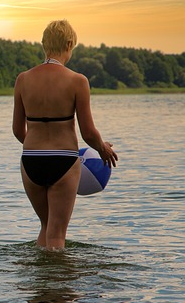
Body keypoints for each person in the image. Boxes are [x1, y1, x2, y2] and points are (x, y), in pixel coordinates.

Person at [12, 19, 118, 251]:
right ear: (69, 43)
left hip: (30, 160)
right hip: (63, 159)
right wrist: (103, 148)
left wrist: (37, 146)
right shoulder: (77, 81)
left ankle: (42, 285)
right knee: (57, 234)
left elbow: (18, 130)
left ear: (44, 44)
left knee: (45, 225)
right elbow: (88, 132)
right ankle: (58, 285)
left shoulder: (23, 79)